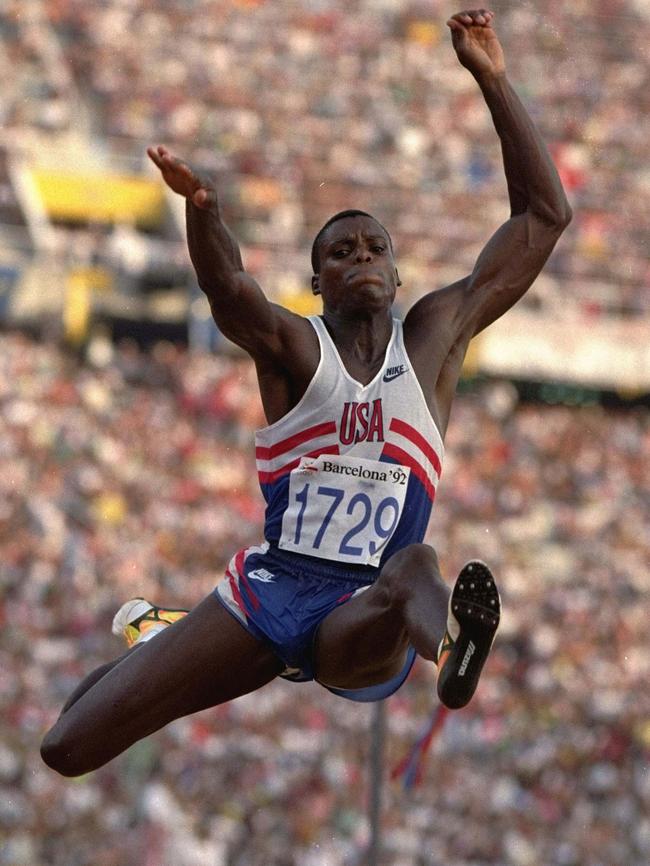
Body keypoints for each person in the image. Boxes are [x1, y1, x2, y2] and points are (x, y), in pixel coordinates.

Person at [41, 9, 571, 778]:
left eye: (375, 248)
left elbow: (544, 216)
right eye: (340, 251)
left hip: (366, 615)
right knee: (65, 748)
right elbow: (228, 289)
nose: (361, 257)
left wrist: (491, 76)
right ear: (317, 281)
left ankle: (450, 647)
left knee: (417, 563)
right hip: (271, 589)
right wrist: (204, 213)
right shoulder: (294, 347)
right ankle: (177, 638)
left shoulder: (433, 340)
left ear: (397, 276)